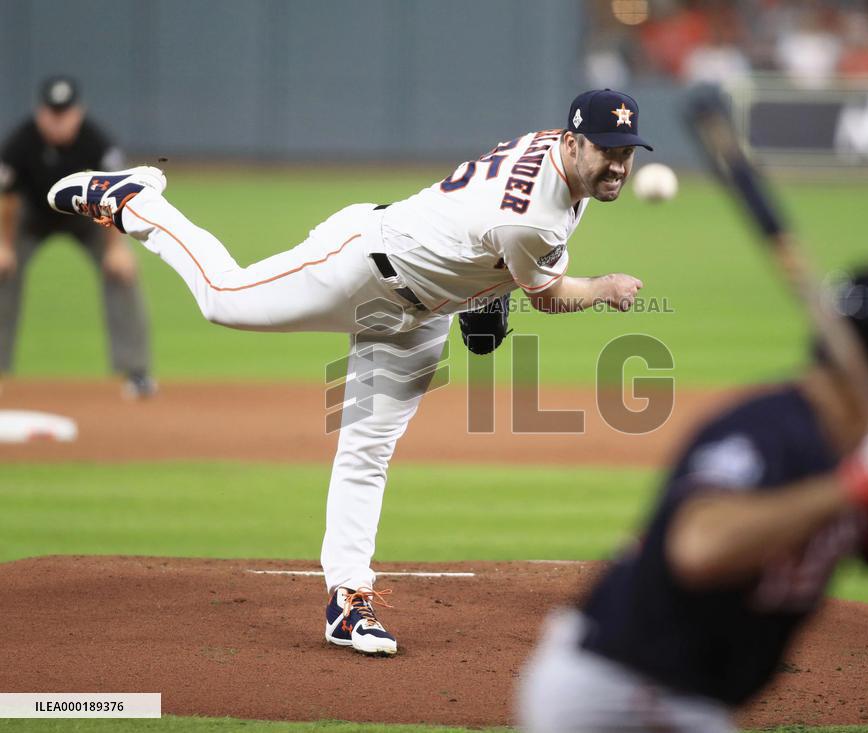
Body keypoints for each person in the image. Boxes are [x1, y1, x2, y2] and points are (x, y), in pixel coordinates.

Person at [46, 89, 652, 656]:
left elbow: (491, 227)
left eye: (626, 152)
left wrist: (484, 294)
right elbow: (548, 289)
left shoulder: (553, 156)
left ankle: (348, 599)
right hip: (363, 263)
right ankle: (136, 202)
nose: (618, 166)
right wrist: (603, 287)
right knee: (222, 298)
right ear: (572, 144)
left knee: (368, 448)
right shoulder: (533, 217)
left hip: (422, 311)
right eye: (607, 150)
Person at [518, 262, 868, 732]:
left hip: (686, 699)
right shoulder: (763, 431)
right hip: (618, 689)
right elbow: (700, 548)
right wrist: (855, 487)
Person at [0, 76, 155, 397]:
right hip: (31, 216)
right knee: (1, 270)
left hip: (87, 214)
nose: (57, 121)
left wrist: (118, 248)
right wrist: (3, 245)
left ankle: (137, 372)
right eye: (51, 113)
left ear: (78, 112)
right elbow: (7, 198)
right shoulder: (21, 142)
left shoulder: (96, 141)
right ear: (39, 112)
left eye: (65, 113)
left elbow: (116, 196)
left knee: (122, 271)